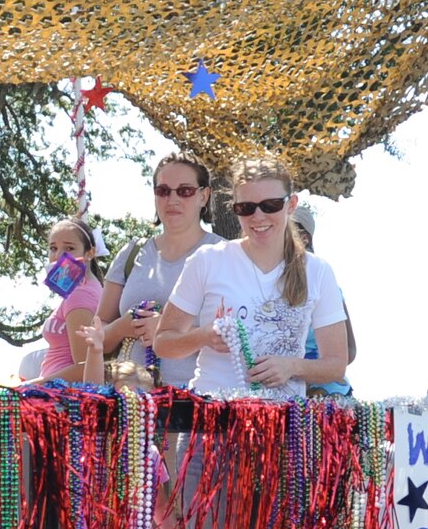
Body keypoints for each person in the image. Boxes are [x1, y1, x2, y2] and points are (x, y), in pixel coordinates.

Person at [153, 156, 348, 398]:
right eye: (245, 208)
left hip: (283, 426)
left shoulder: (318, 271)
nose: (258, 217)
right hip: (213, 420)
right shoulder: (208, 260)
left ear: (291, 204)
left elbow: (337, 364)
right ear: (234, 208)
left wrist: (292, 366)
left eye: (270, 205)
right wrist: (203, 336)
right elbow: (163, 342)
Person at [96, 153, 226, 387]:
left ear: (204, 196)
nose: (172, 199)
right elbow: (98, 338)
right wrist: (124, 326)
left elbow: (240, 337)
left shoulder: (225, 255)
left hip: (199, 403)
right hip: (131, 405)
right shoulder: (131, 253)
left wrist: (169, 333)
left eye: (184, 190)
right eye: (163, 191)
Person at [287, 206, 357, 397]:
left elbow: (349, 351)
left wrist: (306, 372)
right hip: (280, 392)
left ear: (305, 237)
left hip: (327, 394)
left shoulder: (325, 284)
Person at [37, 218, 105, 381]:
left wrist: (26, 388)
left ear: (90, 253)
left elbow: (84, 367)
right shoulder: (83, 290)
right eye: (53, 248)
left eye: (69, 248)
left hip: (62, 398)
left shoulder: (80, 295)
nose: (58, 256)